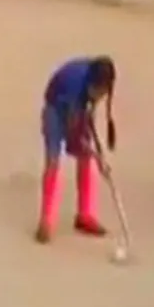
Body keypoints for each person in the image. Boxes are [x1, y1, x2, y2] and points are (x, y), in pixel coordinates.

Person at [35, 56, 117, 243]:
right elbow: (75, 128)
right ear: (92, 84)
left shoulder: (100, 83)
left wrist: (97, 154)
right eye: (98, 91)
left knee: (86, 159)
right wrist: (92, 151)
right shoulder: (74, 85)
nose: (101, 96)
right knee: (53, 161)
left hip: (76, 111)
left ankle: (85, 214)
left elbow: (88, 119)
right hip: (55, 109)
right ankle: (46, 220)